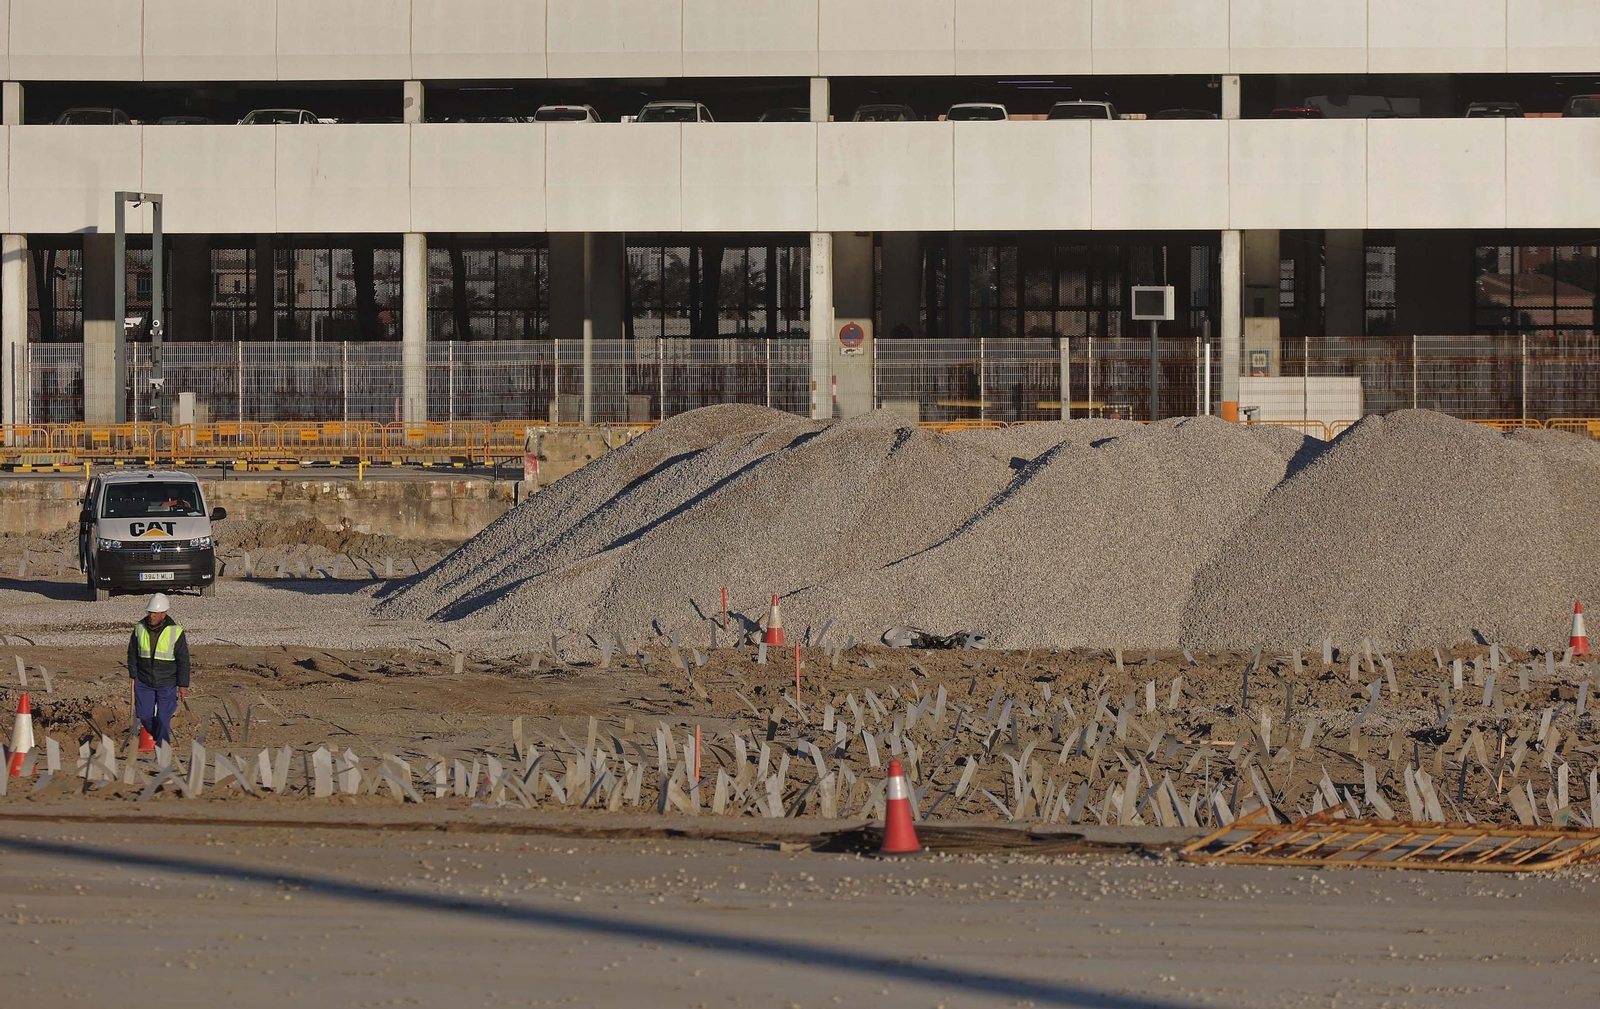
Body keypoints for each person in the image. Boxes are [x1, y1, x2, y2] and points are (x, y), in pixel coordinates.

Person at [127, 593, 190, 748]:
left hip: (167, 682)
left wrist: (183, 685)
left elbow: (183, 660)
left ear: (164, 614)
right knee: (143, 715)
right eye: (150, 612)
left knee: (163, 717)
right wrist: (133, 674)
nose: (151, 615)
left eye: (154, 613)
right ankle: (162, 741)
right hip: (144, 680)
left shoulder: (176, 632)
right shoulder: (139, 628)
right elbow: (132, 653)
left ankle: (163, 748)